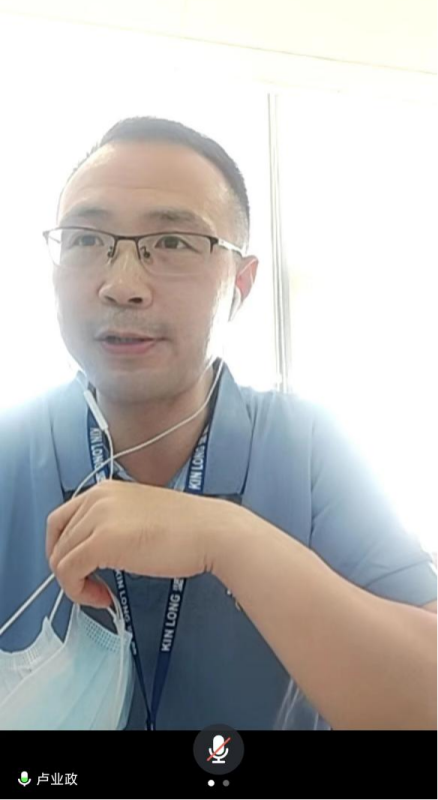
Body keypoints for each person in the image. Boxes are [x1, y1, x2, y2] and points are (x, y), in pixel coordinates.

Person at [1, 116, 438, 731]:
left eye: (173, 242)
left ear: (241, 283)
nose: (121, 285)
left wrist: (225, 538)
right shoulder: (11, 453)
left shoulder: (307, 449)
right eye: (85, 239)